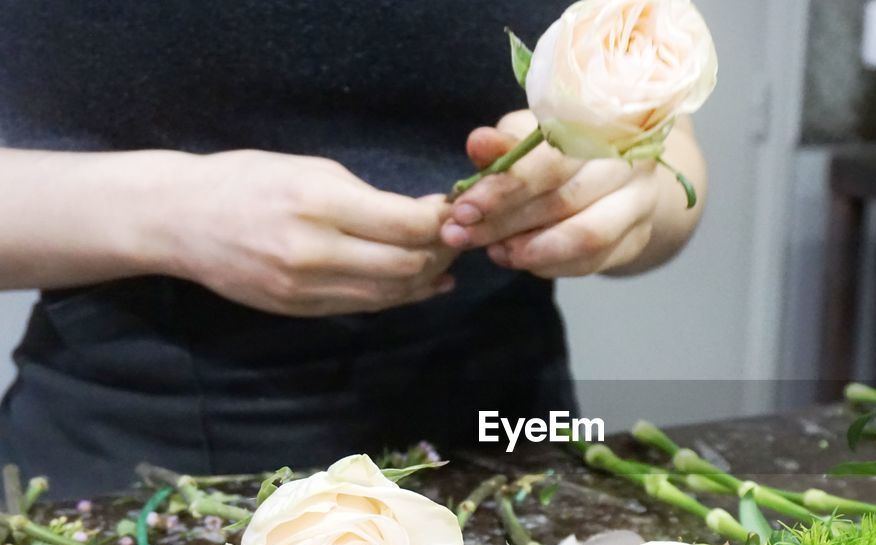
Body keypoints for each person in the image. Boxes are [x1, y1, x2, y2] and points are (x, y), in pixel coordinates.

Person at [0, 2, 707, 496]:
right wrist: (168, 211)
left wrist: (619, 201)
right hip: (126, 456)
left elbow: (677, 165)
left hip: (508, 441)